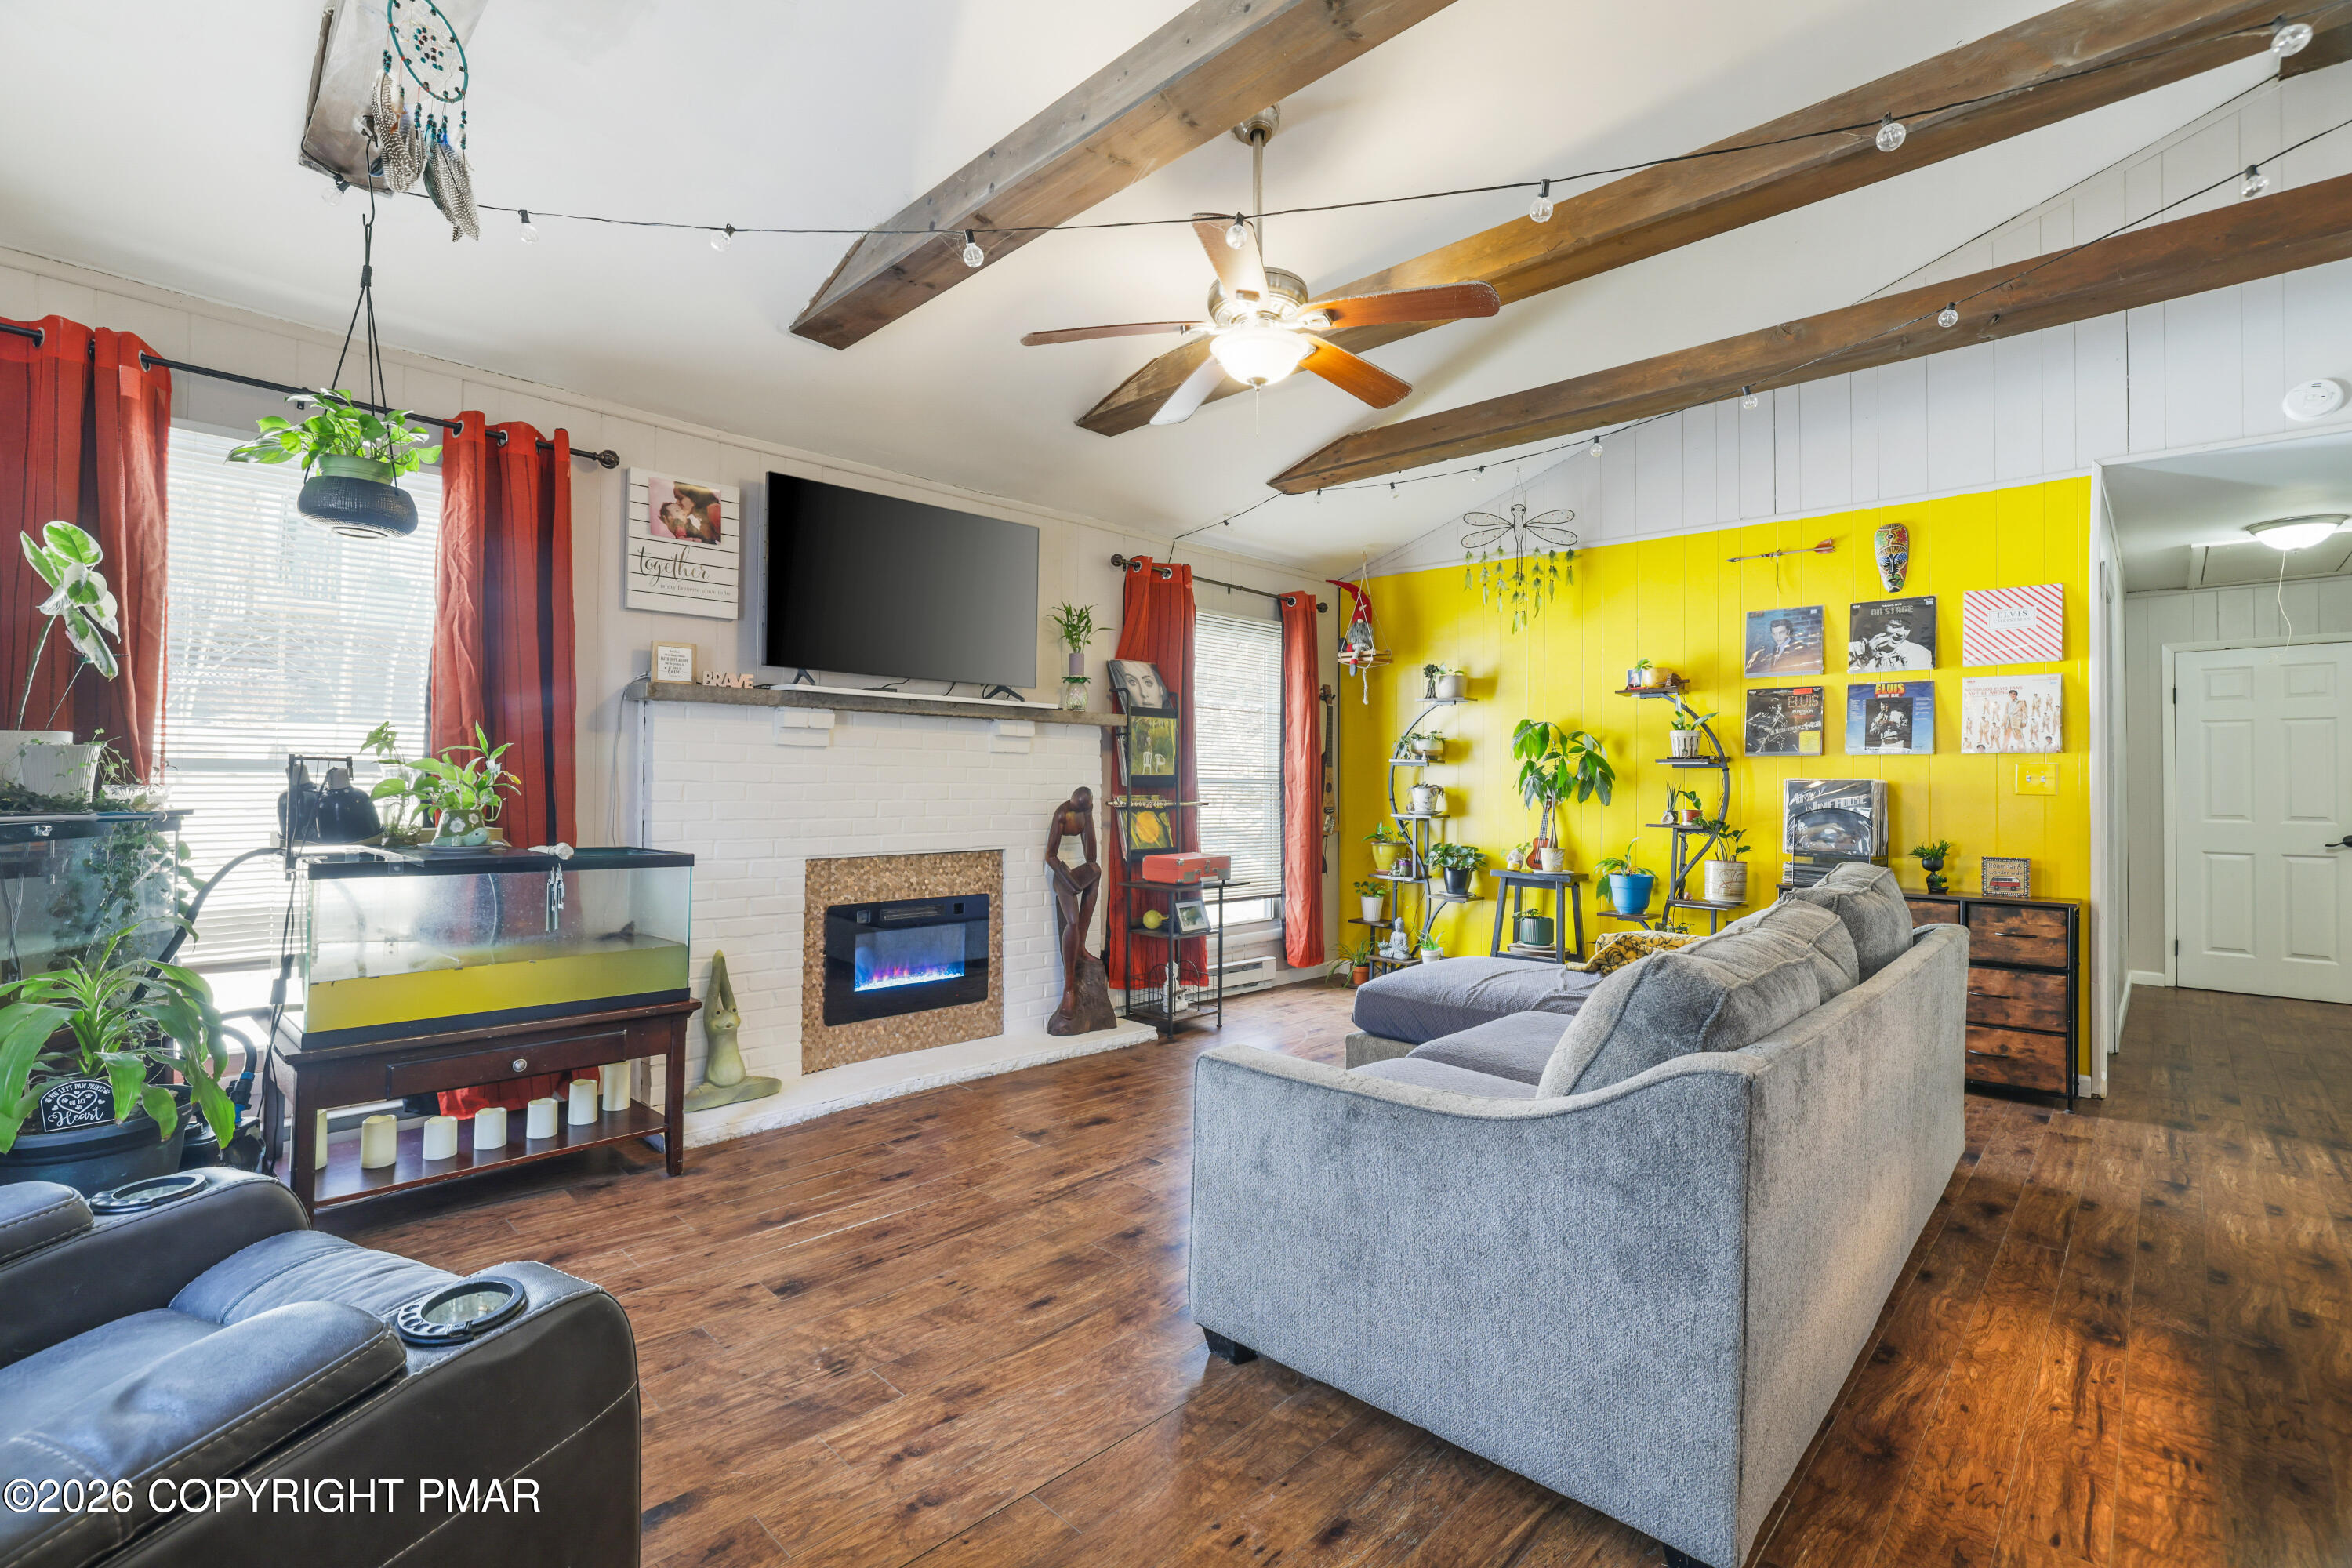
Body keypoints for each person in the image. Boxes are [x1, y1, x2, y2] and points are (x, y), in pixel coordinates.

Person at [1849, 612, 1933, 671]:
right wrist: (1866, 657)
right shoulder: (1853, 649)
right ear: (1879, 626)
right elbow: (1848, 680)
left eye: (1907, 628)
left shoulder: (1920, 653)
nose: (1901, 633)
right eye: (1895, 626)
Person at [1747, 617, 1815, 674]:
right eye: (1774, 634)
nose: (1778, 637)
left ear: (1788, 632)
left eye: (1781, 633)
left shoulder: (1803, 649)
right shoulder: (1774, 649)